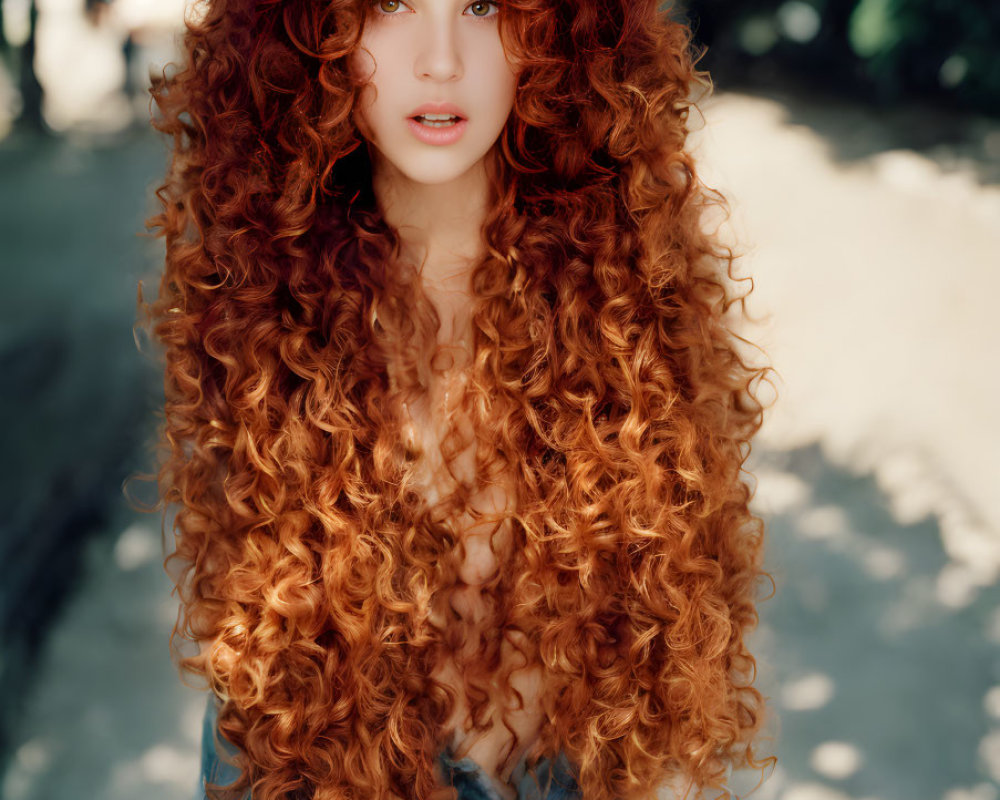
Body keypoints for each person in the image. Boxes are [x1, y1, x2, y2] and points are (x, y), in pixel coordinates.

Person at [142, 0, 774, 798]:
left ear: (560, 36)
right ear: (305, 33)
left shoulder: (623, 301)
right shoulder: (267, 303)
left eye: (482, 5)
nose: (439, 59)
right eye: (387, 4)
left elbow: (648, 663)